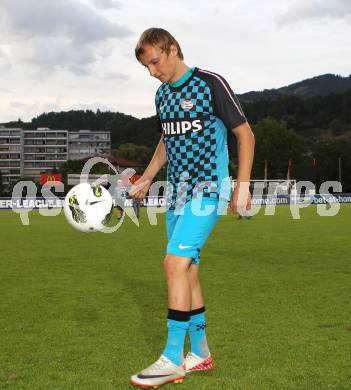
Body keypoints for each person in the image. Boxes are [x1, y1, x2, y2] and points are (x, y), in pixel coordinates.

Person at [129, 28, 255, 389]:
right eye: (146, 66)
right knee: (188, 271)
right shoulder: (161, 95)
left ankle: (172, 359)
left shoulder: (210, 83)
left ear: (172, 50)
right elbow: (166, 141)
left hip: (208, 190)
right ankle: (200, 353)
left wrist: (242, 187)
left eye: (155, 61)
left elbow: (245, 134)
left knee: (173, 264)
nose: (152, 71)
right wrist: (148, 178)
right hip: (177, 196)